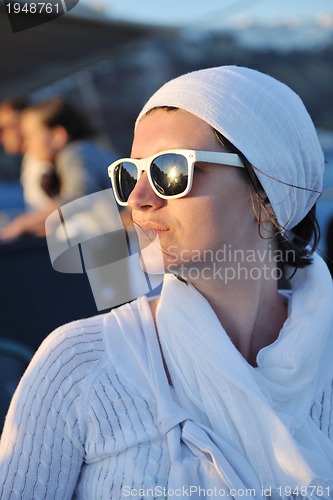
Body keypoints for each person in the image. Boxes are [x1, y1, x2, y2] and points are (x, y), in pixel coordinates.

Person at [0, 66, 332, 499]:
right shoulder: (77, 366)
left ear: (264, 192)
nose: (138, 199)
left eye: (169, 171)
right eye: (128, 174)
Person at [0, 97, 116, 240]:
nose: (27, 145)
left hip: (122, 247)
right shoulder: (80, 151)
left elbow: (78, 197)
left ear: (57, 136)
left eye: (30, 137)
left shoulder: (76, 153)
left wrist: (22, 224)